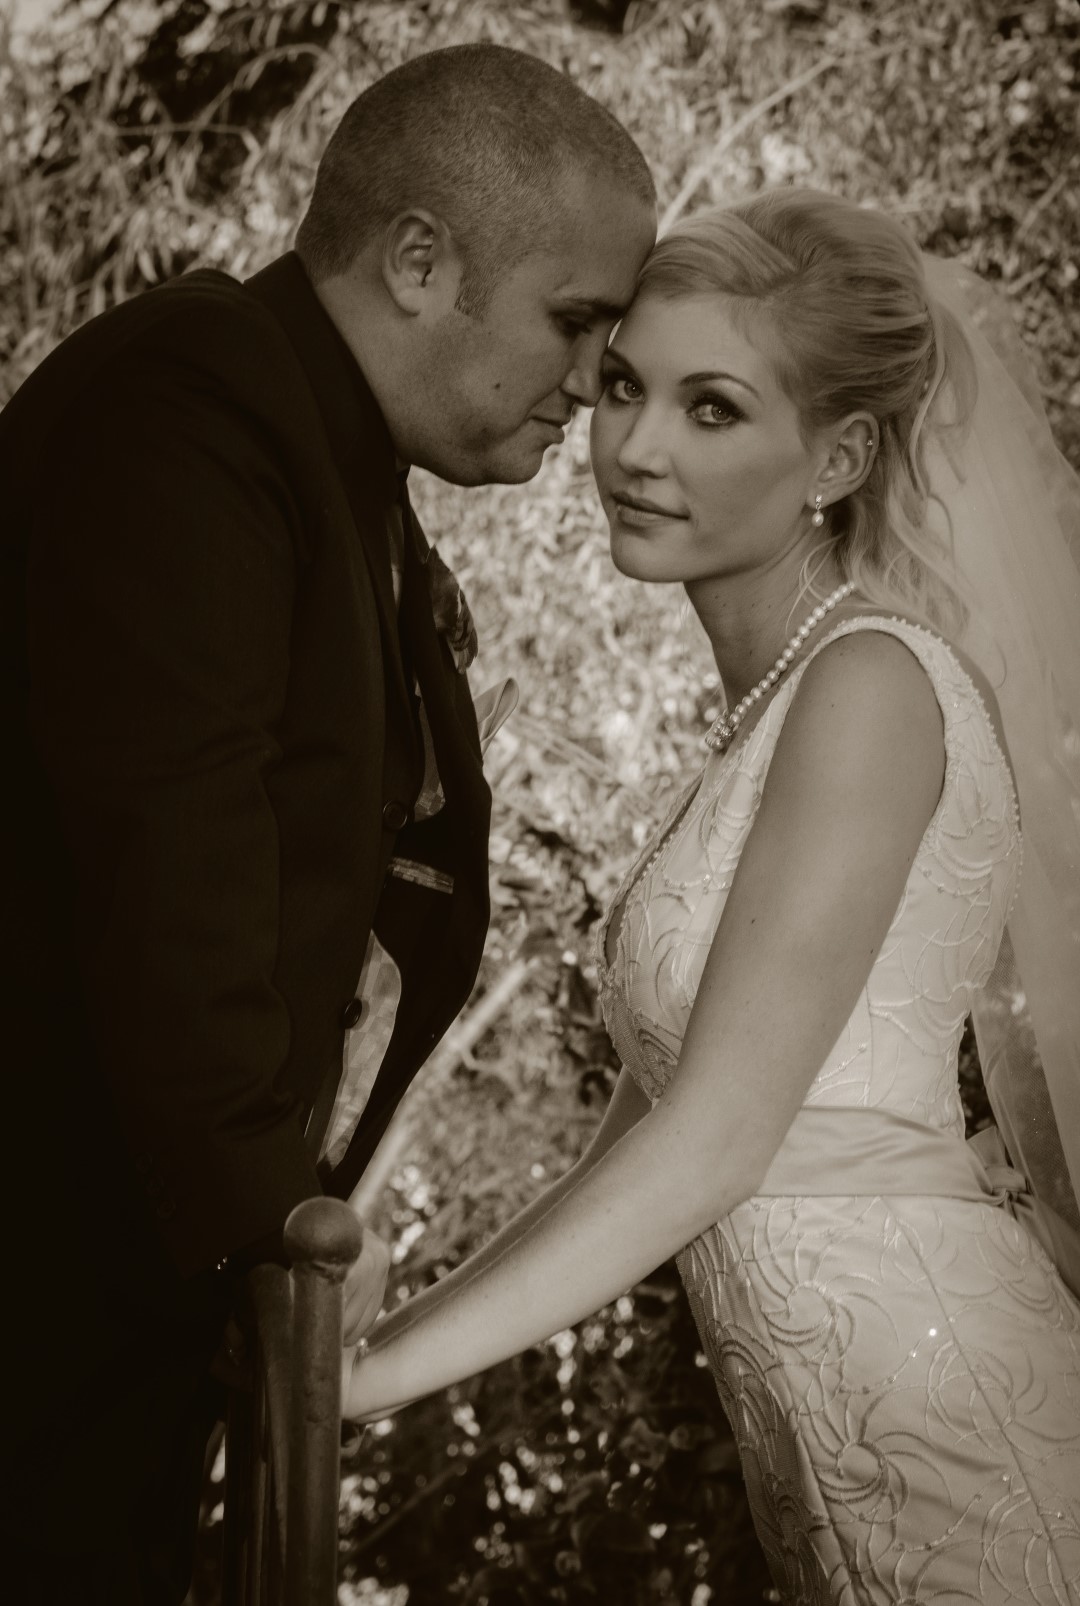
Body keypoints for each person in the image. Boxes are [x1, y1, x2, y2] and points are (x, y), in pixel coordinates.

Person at [342, 190, 1080, 1601]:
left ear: (839, 456)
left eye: (713, 408)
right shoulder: (773, 719)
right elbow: (635, 1152)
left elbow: (717, 1142)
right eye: (625, 385)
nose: (634, 446)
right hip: (832, 1455)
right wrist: (372, 1340)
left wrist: (364, 1386)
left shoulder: (871, 686)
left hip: (947, 1424)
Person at [1, 42, 655, 1605]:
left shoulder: (324, 450)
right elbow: (172, 832)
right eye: (575, 321)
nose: (588, 381)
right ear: (419, 261)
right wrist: (267, 1223)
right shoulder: (191, 404)